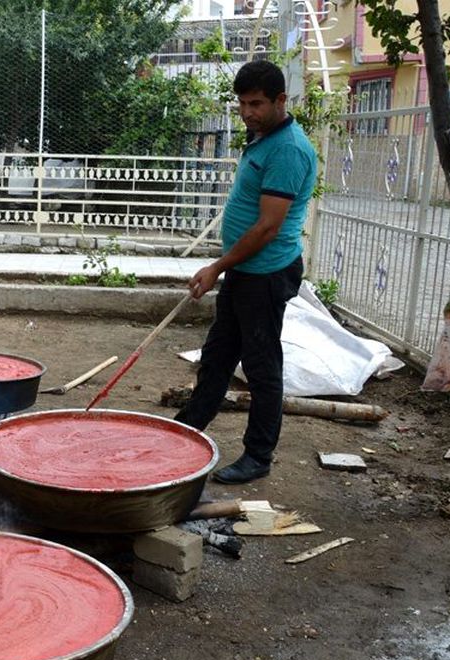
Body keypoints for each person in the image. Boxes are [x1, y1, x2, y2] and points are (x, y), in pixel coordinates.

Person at [174, 61, 317, 484]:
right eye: (242, 103)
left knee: (262, 366)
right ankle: (185, 432)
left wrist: (218, 265)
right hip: (245, 269)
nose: (247, 112)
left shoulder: (288, 149)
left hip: (266, 273)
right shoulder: (262, 137)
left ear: (280, 101)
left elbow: (269, 226)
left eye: (256, 103)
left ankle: (258, 456)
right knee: (217, 356)